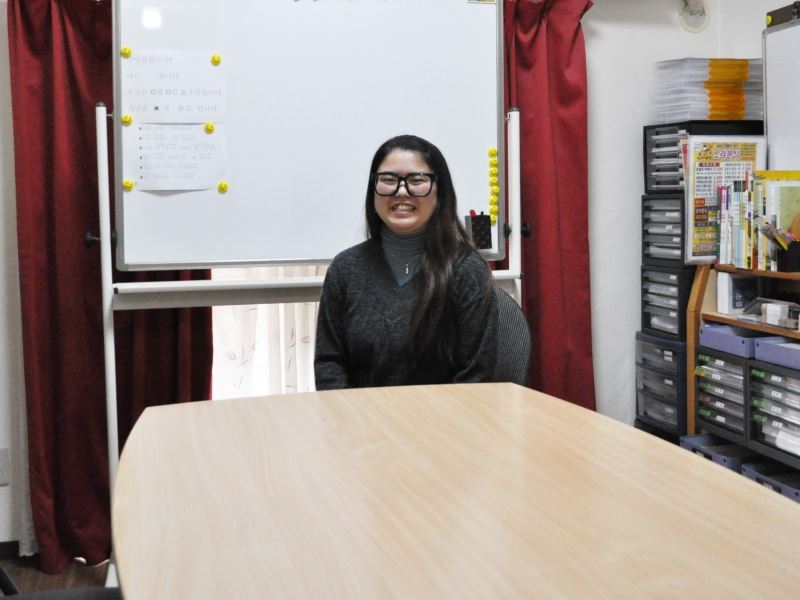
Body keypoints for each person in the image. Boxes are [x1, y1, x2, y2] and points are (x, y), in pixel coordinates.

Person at [314, 134, 498, 389]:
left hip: (444, 424)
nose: (401, 192)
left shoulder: (467, 271)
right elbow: (329, 363)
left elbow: (475, 376)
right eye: (388, 180)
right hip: (360, 423)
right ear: (373, 190)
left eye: (417, 180)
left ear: (440, 192)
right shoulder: (345, 269)